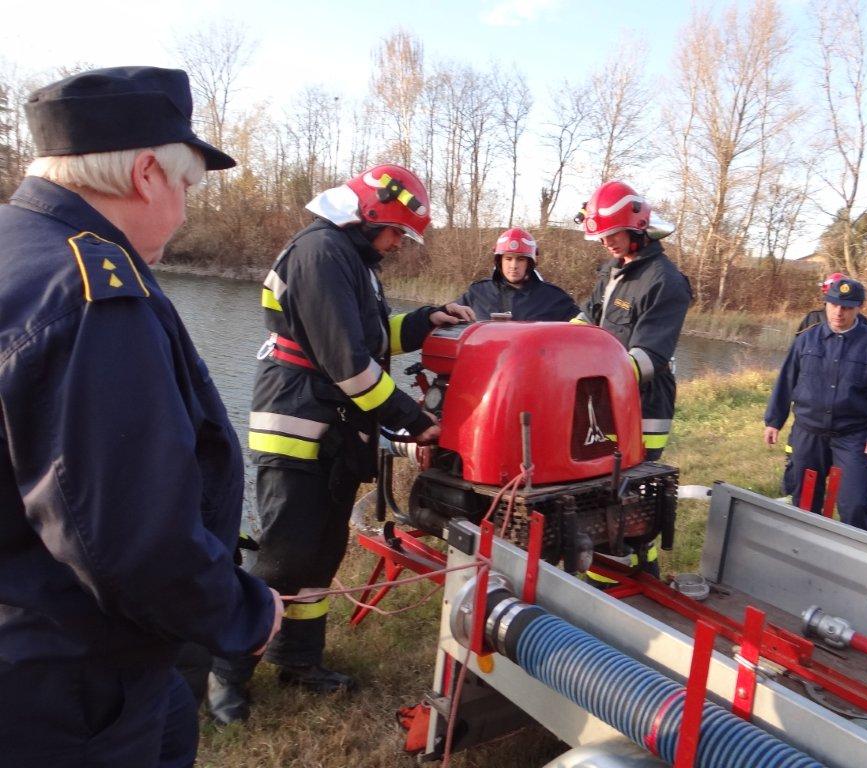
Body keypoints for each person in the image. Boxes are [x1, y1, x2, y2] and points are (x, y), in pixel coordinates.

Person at [0, 66, 282, 768]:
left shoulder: (15, 244)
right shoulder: (91, 293)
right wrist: (245, 614)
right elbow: (130, 540)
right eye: (186, 187)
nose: (184, 211)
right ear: (148, 174)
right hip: (73, 689)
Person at [207, 165, 474, 724]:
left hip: (331, 431)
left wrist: (427, 320)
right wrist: (414, 420)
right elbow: (348, 365)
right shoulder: (321, 254)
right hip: (299, 426)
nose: (399, 245)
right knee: (283, 559)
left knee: (320, 555)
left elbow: (372, 340)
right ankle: (225, 672)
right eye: (397, 231)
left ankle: (298, 661)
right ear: (371, 214)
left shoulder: (349, 259)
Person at [573, 180, 692, 582]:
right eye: (601, 235)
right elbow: (586, 321)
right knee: (598, 484)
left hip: (644, 403)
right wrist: (556, 349)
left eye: (613, 233)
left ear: (638, 229)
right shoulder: (612, 271)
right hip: (604, 397)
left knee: (634, 489)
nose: (606, 242)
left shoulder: (665, 280)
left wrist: (596, 379)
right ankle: (608, 568)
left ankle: (638, 573)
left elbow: (650, 356)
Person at [764, 277, 867, 531]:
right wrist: (773, 421)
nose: (838, 312)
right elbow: (786, 380)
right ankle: (805, 550)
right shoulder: (807, 339)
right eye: (833, 305)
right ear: (826, 304)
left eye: (846, 307)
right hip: (808, 433)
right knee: (805, 502)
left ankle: (856, 557)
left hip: (852, 436)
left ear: (858, 308)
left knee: (855, 504)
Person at [454, 227, 579, 321]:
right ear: (499, 262)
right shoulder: (478, 293)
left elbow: (583, 329)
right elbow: (447, 320)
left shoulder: (553, 298)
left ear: (530, 263)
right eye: (508, 259)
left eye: (520, 259)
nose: (513, 266)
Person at [796, 272, 867, 334]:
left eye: (846, 306)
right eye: (833, 303)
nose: (838, 312)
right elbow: (800, 344)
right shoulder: (813, 317)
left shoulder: (862, 321)